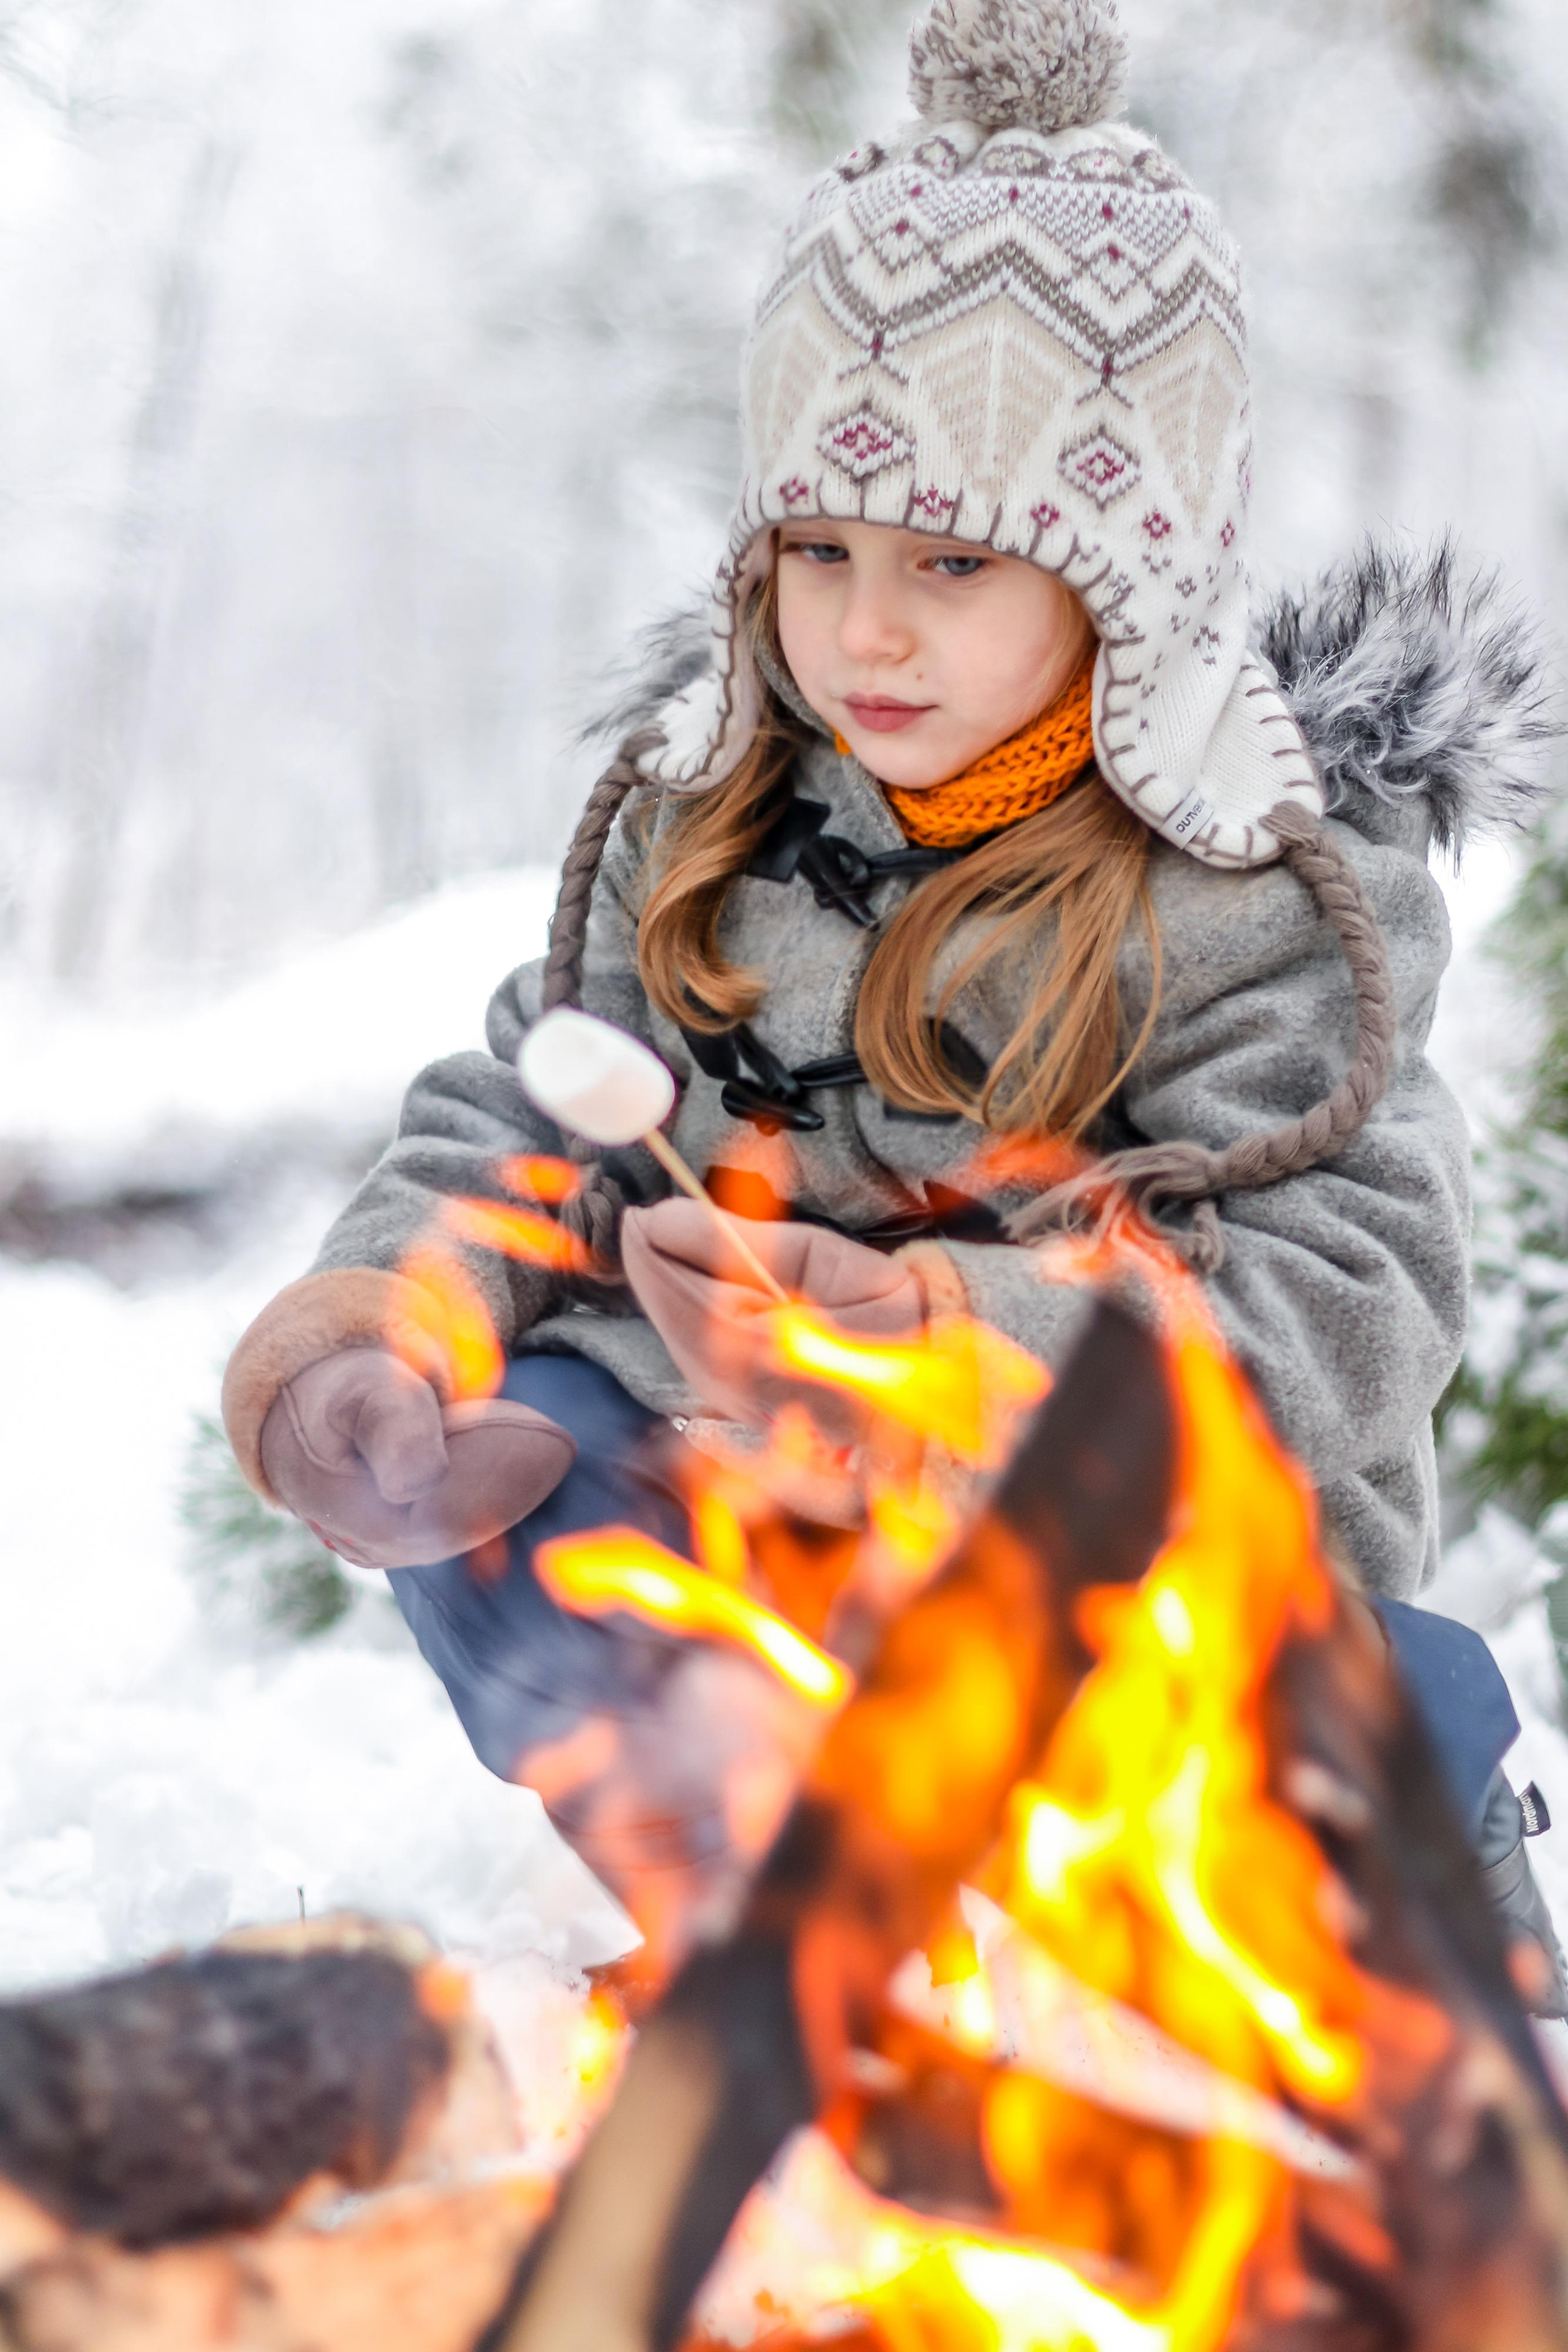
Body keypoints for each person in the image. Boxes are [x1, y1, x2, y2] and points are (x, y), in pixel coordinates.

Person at [221, 0, 1562, 1997]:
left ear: (1126, 579)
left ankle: (1382, 1805)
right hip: (760, 1514)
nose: (863, 630)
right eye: (819, 547)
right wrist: (387, 1332)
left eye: (953, 563)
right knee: (529, 1468)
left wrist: (945, 1337)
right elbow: (528, 1120)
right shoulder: (714, 819)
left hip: (1099, 1554)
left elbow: (1346, 1297)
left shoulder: (1259, 894)